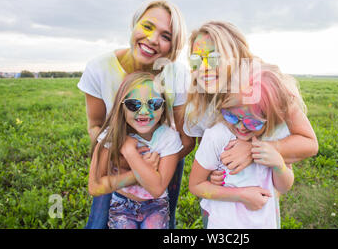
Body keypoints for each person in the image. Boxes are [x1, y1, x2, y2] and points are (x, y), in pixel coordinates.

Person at [183, 21, 318, 225]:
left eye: (214, 58)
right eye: (196, 60)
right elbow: (208, 152)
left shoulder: (269, 91)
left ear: (236, 56)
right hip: (221, 208)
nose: (203, 68)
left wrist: (254, 149)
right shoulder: (200, 102)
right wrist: (212, 175)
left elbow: (309, 144)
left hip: (260, 210)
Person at [78, 0, 194, 229]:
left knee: (161, 221)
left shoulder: (177, 74)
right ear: (135, 24)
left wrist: (157, 165)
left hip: (164, 156)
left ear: (173, 46)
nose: (152, 39)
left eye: (166, 36)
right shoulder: (99, 68)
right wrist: (123, 159)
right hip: (113, 156)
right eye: (148, 27)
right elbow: (95, 125)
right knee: (99, 222)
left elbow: (187, 139)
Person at [188, 62, 302, 228]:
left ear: (271, 118)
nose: (241, 127)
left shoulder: (274, 136)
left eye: (253, 122)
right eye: (232, 116)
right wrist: (241, 195)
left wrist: (279, 165)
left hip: (264, 222)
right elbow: (196, 185)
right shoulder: (217, 135)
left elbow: (284, 187)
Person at [89, 72, 182, 229]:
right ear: (121, 106)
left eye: (154, 103)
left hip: (156, 207)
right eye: (134, 104)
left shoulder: (169, 137)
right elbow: (95, 186)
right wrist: (138, 173)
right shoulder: (110, 137)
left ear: (163, 105)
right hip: (121, 206)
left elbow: (157, 188)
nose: (144, 112)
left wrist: (129, 151)